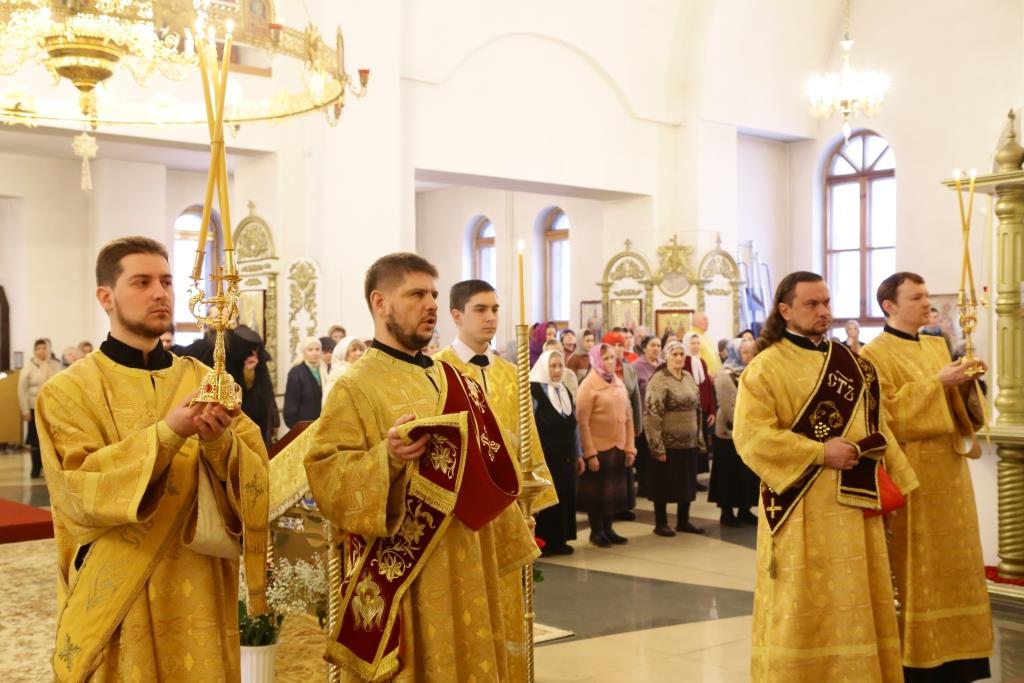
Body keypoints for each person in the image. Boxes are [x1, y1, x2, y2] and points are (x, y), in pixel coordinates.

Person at [35, 236, 269, 681]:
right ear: (106, 297)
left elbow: (258, 474)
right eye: (141, 282)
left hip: (199, 586)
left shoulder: (207, 379)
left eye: (166, 281)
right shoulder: (67, 392)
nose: (160, 293)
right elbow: (77, 489)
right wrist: (168, 434)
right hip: (120, 592)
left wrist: (219, 444)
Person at [303, 254, 536, 681]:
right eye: (415, 294)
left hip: (471, 563)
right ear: (380, 302)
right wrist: (387, 458)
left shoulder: (455, 378)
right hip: (412, 582)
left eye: (433, 294)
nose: (430, 304)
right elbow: (326, 474)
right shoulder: (355, 386)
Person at [733, 271, 918, 681]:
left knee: (857, 597)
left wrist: (900, 486)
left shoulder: (854, 363)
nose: (824, 311)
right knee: (804, 600)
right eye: (812, 304)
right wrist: (819, 452)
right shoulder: (764, 369)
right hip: (801, 507)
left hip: (856, 505)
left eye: (827, 302)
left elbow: (880, 427)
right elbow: (751, 437)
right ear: (785, 311)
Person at [861, 272, 992, 682]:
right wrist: (938, 382)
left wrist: (967, 385)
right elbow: (884, 415)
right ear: (890, 306)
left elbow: (958, 409)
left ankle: (962, 656)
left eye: (926, 296)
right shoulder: (872, 354)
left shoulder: (937, 344)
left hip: (951, 473)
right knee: (917, 564)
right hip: (912, 471)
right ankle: (919, 659)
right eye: (916, 297)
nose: (926, 303)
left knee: (957, 561)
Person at [434, 280, 557, 514]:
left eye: (495, 309)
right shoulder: (437, 370)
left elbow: (528, 432)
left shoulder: (512, 372)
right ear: (457, 316)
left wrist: (533, 495)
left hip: (511, 495)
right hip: (461, 497)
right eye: (480, 309)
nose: (491, 317)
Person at [576, 342, 636, 547]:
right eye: (606, 358)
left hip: (618, 447)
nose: (611, 361)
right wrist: (589, 453)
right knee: (597, 494)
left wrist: (630, 447)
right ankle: (597, 531)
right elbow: (582, 422)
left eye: (612, 357)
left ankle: (609, 529)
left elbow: (628, 418)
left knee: (612, 493)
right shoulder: (588, 385)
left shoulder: (618, 382)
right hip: (598, 448)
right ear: (597, 361)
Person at [643, 340, 706, 535]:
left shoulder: (688, 377)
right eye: (674, 355)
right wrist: (657, 446)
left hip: (689, 442)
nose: (679, 358)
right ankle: (660, 523)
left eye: (681, 354)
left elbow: (698, 409)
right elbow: (652, 415)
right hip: (668, 444)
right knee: (663, 484)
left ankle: (683, 521)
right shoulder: (659, 380)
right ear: (666, 357)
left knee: (686, 483)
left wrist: (699, 437)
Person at [531, 349, 583, 555]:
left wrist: (578, 454)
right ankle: (544, 542)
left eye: (560, 366)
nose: (557, 370)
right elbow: (527, 426)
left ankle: (560, 539)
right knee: (547, 500)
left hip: (565, 457)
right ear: (545, 367)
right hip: (544, 458)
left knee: (564, 496)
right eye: (553, 366)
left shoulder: (564, 390)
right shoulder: (534, 391)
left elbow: (574, 425)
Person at [708, 338, 759, 527]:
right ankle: (727, 512)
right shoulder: (725, 375)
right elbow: (728, 407)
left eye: (750, 352)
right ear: (734, 353)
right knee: (729, 472)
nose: (748, 356)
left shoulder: (751, 372)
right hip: (729, 432)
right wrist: (744, 425)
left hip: (749, 431)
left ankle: (744, 509)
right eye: (744, 352)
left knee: (745, 473)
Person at [603, 331, 643, 520]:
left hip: (626, 424)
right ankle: (609, 508)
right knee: (610, 467)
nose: (618, 349)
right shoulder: (598, 368)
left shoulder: (628, 369)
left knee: (625, 466)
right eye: (614, 345)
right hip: (607, 425)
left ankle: (623, 505)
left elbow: (635, 398)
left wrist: (637, 425)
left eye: (620, 345)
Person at [226, 325, 279, 447]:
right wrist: (247, 373)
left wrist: (275, 420)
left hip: (260, 422)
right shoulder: (230, 363)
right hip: (237, 423)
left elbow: (268, 393)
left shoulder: (261, 366)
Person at [18, 338, 63, 478]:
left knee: (52, 438)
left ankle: (51, 467)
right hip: (34, 407)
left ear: (48, 350)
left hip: (52, 407)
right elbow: (22, 390)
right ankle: (36, 467)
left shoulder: (56, 365)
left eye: (44, 348)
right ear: (34, 350)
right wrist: (25, 409)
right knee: (35, 438)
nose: (41, 351)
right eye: (38, 348)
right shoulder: (28, 366)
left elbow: (62, 386)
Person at [683, 332, 716, 485]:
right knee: (692, 445)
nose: (696, 346)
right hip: (690, 412)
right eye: (693, 343)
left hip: (703, 411)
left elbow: (708, 388)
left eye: (698, 343)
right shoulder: (683, 362)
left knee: (701, 445)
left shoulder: (702, 362)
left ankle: (695, 478)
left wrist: (712, 411)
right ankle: (689, 479)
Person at [631, 335, 662, 498]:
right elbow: (633, 395)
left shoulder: (664, 364)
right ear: (644, 348)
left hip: (661, 418)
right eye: (652, 345)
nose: (656, 348)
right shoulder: (636, 367)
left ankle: (657, 484)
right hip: (644, 417)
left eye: (659, 345)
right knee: (644, 455)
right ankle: (643, 485)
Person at [283, 336, 325, 428]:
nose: (314, 353)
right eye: (310, 350)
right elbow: (290, 403)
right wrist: (295, 427)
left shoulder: (324, 371)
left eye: (317, 349)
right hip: (303, 426)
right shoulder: (296, 372)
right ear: (304, 352)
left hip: (321, 424)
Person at [323, 336, 366, 405]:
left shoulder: (363, 371)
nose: (359, 353)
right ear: (344, 354)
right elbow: (329, 399)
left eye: (361, 350)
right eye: (354, 350)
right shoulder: (338, 372)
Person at [686, 311, 722, 376]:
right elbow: (696, 359)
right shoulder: (691, 336)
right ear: (696, 322)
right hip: (703, 376)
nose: (708, 322)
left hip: (715, 377)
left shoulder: (706, 336)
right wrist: (709, 374)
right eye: (705, 319)